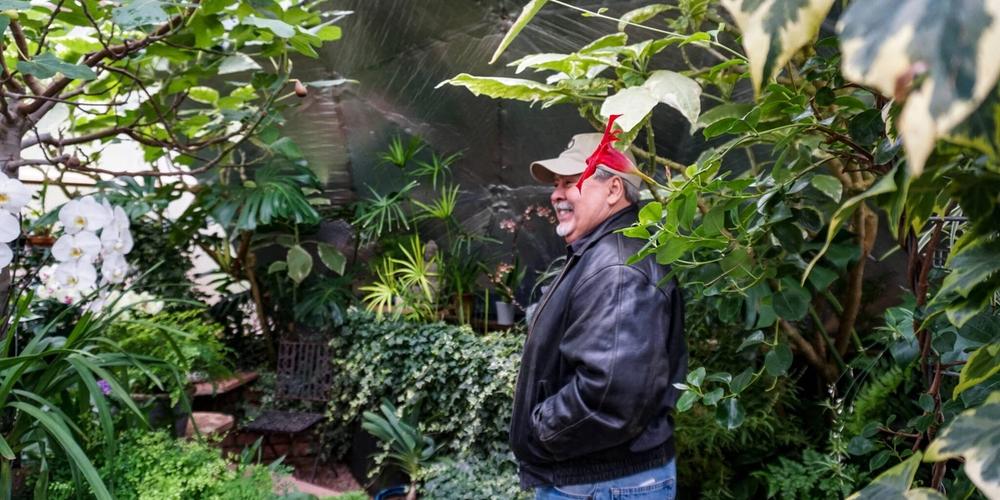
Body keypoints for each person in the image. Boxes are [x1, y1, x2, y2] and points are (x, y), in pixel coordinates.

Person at [509, 120, 688, 500]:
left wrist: (540, 428)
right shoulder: (604, 252)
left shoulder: (617, 268)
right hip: (597, 480)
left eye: (570, 180)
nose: (556, 194)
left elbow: (610, 396)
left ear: (613, 189)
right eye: (555, 183)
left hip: (602, 486)